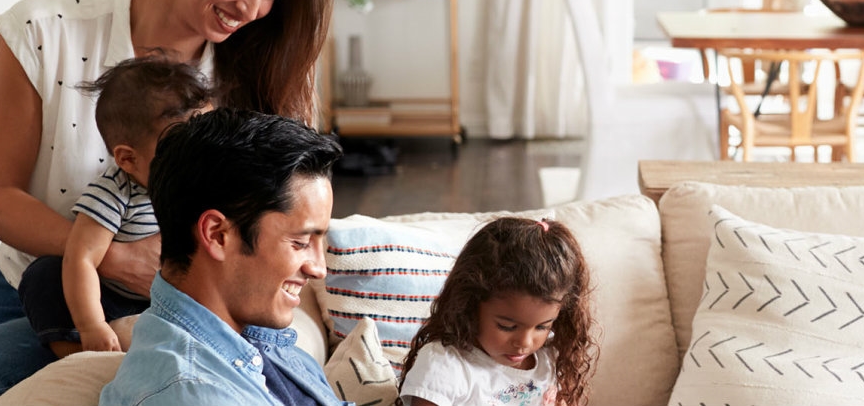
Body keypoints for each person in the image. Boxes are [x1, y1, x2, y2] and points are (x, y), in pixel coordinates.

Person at [0, 0, 335, 404]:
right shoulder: (45, 31)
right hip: (34, 274)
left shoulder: (256, 72)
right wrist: (110, 256)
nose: (252, 9)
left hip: (176, 296)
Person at [100, 108, 348, 406]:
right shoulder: (193, 393)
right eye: (300, 242)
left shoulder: (258, 341)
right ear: (217, 235)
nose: (319, 269)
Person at [16, 57, 211, 358]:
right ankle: (76, 353)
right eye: (180, 149)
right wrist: (92, 324)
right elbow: (81, 258)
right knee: (45, 274)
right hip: (112, 300)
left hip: (173, 300)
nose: (199, 160)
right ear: (128, 159)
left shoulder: (206, 185)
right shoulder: (115, 192)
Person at [397, 218, 600, 406]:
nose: (525, 343)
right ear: (469, 305)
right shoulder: (445, 365)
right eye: (507, 326)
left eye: (542, 326)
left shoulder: (550, 359)